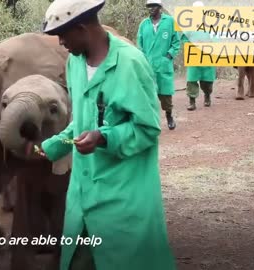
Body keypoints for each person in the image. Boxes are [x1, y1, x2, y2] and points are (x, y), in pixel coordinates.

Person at [38, 0, 177, 269]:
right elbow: (83, 120)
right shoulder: (74, 64)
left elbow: (148, 129)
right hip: (82, 194)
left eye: (63, 35)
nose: (61, 43)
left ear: (82, 28)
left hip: (123, 196)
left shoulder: (130, 64)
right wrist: (56, 144)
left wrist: (104, 137)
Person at [137, 0, 180, 129]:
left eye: (154, 6)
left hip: (164, 64)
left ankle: (169, 116)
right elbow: (140, 44)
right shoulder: (144, 24)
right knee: (148, 95)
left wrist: (169, 55)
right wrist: (142, 59)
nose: (151, 9)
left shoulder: (170, 22)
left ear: (160, 7)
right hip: (148, 65)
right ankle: (152, 122)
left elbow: (176, 42)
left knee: (166, 95)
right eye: (149, 6)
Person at [179, 0, 217, 110]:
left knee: (207, 81)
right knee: (191, 80)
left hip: (207, 56)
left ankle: (207, 95)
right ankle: (192, 101)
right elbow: (184, 39)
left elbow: (216, 38)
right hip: (194, 56)